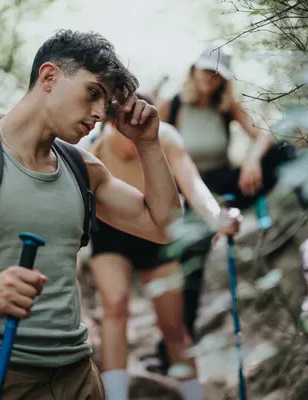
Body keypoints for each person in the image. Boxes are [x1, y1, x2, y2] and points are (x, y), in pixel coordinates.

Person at [0, 29, 183, 400]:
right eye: (93, 93)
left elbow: (166, 227)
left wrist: (148, 143)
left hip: (80, 376)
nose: (100, 113)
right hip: (1, 376)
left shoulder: (82, 168)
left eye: (106, 103)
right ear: (49, 76)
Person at [141, 42, 300, 375]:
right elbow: (155, 153)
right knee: (189, 268)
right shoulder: (173, 105)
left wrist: (253, 160)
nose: (211, 79)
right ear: (193, 71)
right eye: (206, 71)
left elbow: (264, 134)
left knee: (284, 152)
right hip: (189, 192)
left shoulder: (226, 104)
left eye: (218, 74)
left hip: (226, 184)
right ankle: (169, 353)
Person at [77, 91, 241, 400]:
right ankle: (116, 395)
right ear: (112, 123)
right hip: (111, 234)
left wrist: (217, 217)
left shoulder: (165, 138)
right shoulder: (94, 142)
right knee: (115, 308)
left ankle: (194, 395)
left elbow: (192, 183)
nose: (131, 137)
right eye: (122, 127)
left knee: (173, 325)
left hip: (157, 233)